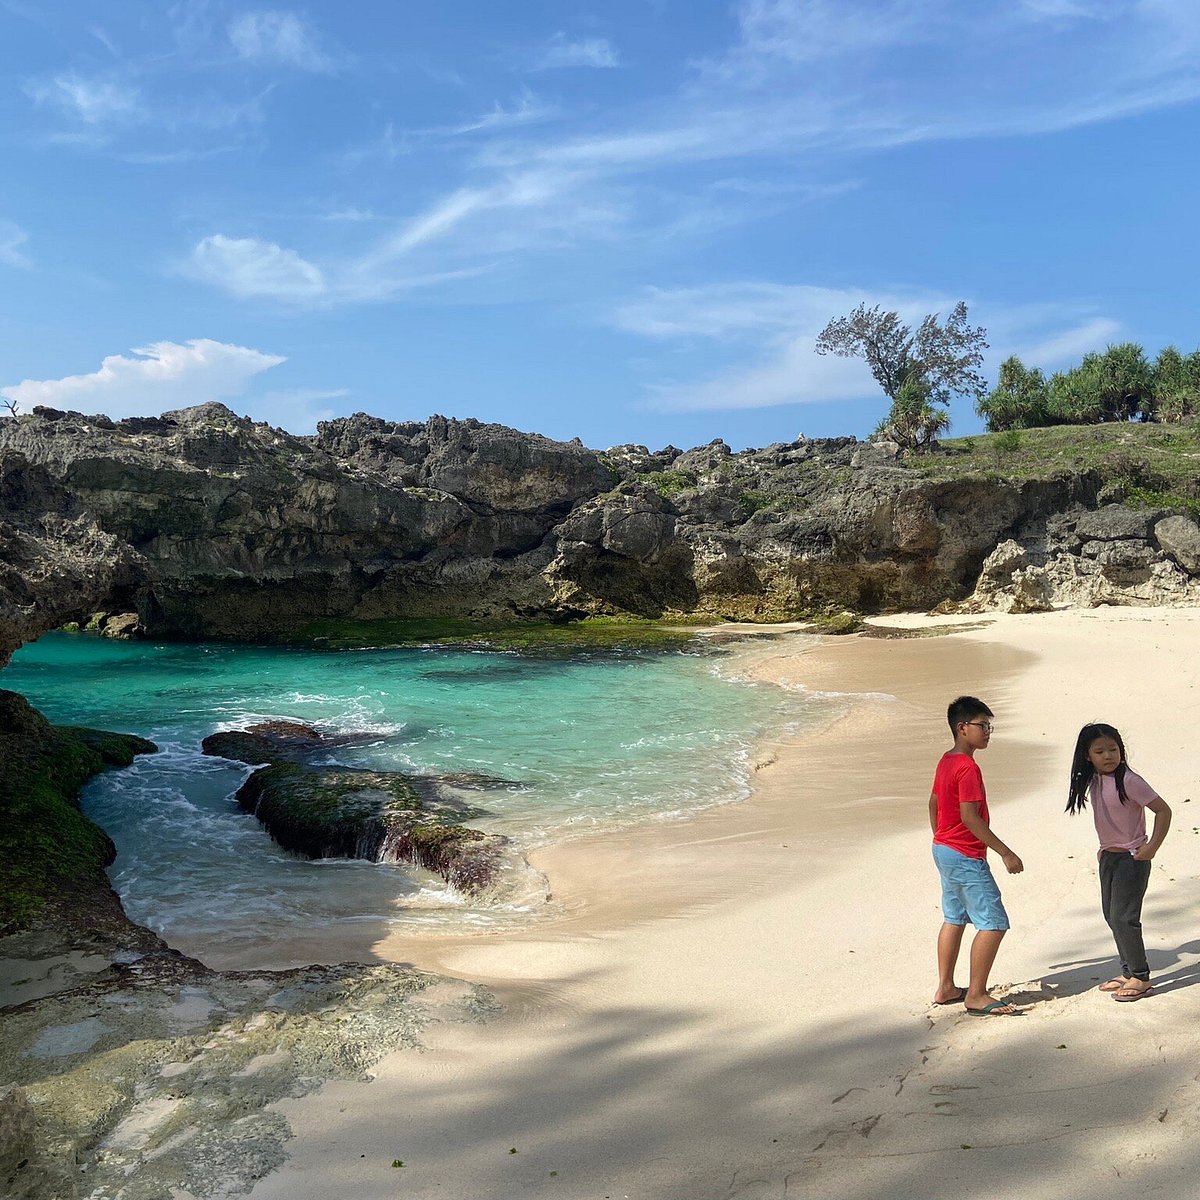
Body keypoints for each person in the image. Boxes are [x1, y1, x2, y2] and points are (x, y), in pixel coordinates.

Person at [930, 696, 1024, 1015]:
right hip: (964, 854)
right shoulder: (967, 767)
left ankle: (945, 987)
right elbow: (970, 817)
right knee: (993, 923)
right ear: (962, 728)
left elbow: (933, 803)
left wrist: (940, 835)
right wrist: (1005, 852)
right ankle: (976, 994)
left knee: (954, 918)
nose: (987, 731)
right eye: (982, 725)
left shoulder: (947, 760)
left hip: (943, 849)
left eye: (989, 726)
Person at [1066, 722, 1172, 1002]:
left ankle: (1141, 977)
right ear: (1087, 756)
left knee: (1125, 918)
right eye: (1100, 751)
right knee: (1111, 916)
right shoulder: (1093, 779)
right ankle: (1127, 972)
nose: (1108, 756)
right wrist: (1104, 853)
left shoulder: (1129, 780)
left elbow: (1163, 810)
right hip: (1108, 857)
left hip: (1132, 857)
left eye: (1113, 749)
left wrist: (1151, 847)